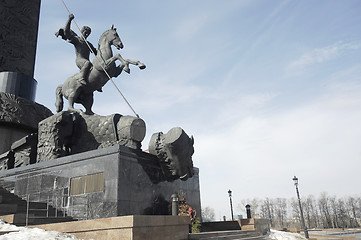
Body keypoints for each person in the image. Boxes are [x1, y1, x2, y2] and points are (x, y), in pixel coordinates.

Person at [55, 14, 97, 87]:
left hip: (88, 62)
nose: (86, 34)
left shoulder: (89, 44)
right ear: (81, 31)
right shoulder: (77, 40)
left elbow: (96, 53)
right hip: (80, 60)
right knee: (87, 63)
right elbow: (67, 32)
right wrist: (69, 20)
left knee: (95, 69)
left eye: (88, 33)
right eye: (85, 32)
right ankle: (81, 78)